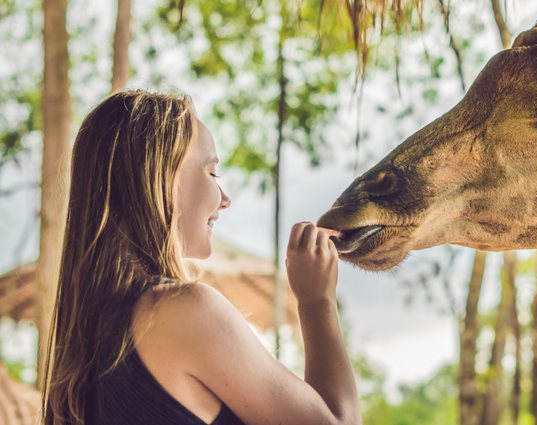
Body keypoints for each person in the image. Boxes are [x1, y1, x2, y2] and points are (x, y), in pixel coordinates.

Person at [40, 90, 361, 425]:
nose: (225, 199)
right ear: (162, 175)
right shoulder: (180, 310)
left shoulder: (84, 340)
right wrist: (316, 300)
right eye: (212, 173)